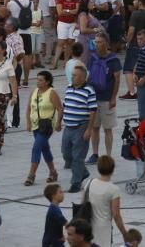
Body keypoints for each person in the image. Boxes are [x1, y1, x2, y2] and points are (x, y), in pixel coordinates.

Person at [59, 65, 98, 193]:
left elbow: (93, 111)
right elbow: (64, 105)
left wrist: (89, 130)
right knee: (66, 154)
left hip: (81, 126)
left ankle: (75, 183)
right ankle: (83, 172)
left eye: (75, 75)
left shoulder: (89, 90)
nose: (72, 77)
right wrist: (59, 121)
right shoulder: (69, 88)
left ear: (82, 77)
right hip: (68, 127)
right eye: (72, 75)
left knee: (78, 157)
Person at [87, 34, 122, 164]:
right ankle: (95, 154)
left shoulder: (114, 60)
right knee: (94, 128)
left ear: (106, 43)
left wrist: (113, 98)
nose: (97, 45)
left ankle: (108, 155)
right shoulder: (92, 58)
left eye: (100, 42)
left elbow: (117, 80)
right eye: (95, 42)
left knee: (108, 128)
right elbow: (88, 76)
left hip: (107, 99)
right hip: (94, 99)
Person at [25, 70, 62, 186]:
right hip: (35, 124)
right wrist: (28, 123)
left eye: (41, 80)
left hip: (46, 125)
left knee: (36, 148)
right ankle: (53, 172)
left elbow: (60, 109)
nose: (38, 82)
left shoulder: (52, 92)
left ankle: (31, 175)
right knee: (44, 149)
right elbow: (28, 108)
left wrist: (58, 123)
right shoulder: (34, 92)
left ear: (47, 82)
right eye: (37, 79)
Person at [82, 155, 127, 247]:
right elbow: (116, 215)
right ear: (113, 169)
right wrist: (124, 233)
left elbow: (82, 203)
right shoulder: (114, 189)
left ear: (98, 168)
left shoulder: (89, 182)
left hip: (88, 226)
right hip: (104, 228)